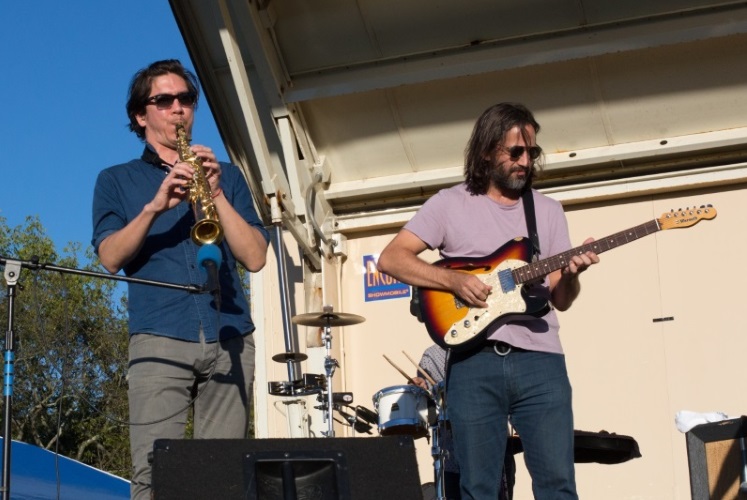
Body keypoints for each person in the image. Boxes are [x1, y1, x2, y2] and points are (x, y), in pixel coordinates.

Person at [377, 102, 599, 499]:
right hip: (472, 363)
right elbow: (391, 258)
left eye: (531, 152)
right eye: (515, 152)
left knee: (557, 485)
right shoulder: (448, 203)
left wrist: (571, 274)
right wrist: (452, 281)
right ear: (486, 151)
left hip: (540, 362)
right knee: (479, 488)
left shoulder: (546, 210)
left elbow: (560, 300)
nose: (525, 161)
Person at [91, 59, 270, 500]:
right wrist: (155, 206)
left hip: (230, 336)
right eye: (164, 100)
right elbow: (110, 257)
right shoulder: (116, 180)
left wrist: (216, 193)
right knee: (153, 475)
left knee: (221, 479)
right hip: (159, 336)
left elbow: (255, 257)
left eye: (186, 99)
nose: (178, 109)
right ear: (141, 114)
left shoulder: (227, 175)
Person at [413, 344, 516, 500]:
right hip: (451, 455)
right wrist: (421, 386)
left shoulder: (491, 345)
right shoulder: (432, 355)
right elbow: (427, 392)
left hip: (495, 451)